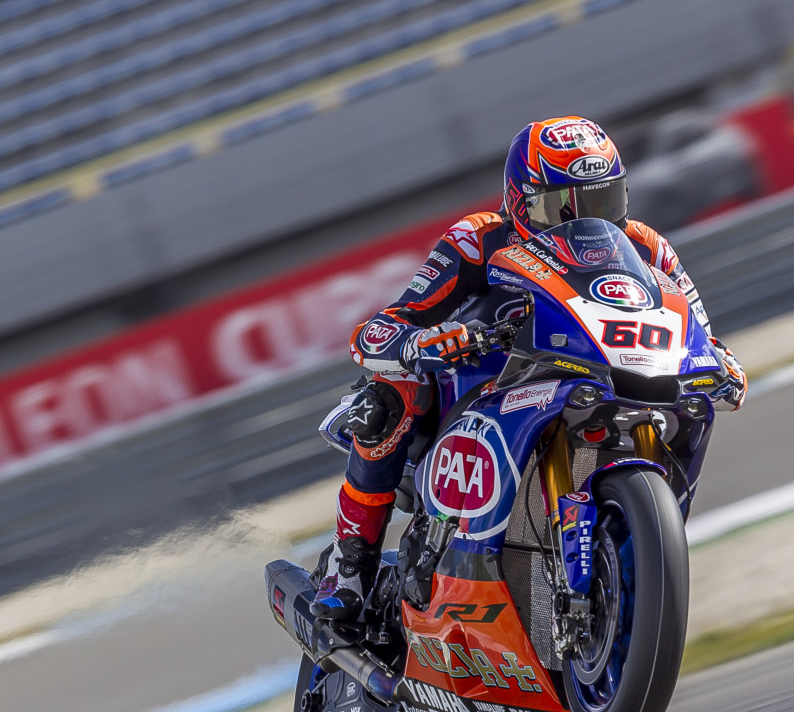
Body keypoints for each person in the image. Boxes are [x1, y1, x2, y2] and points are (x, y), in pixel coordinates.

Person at [314, 116, 746, 620]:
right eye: (562, 207)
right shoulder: (478, 239)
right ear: (520, 202)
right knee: (386, 398)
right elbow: (385, 326)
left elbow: (697, 326)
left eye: (602, 203)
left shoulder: (647, 246)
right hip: (482, 381)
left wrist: (722, 362)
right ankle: (349, 567)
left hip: (592, 373)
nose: (584, 222)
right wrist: (426, 341)